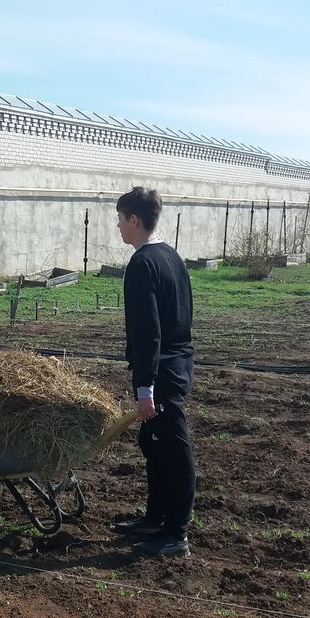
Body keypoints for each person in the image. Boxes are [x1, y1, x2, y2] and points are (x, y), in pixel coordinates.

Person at [112, 187, 196, 557]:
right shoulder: (171, 257)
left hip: (161, 372)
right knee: (154, 445)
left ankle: (176, 532)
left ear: (135, 220)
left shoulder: (143, 264)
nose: (118, 227)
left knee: (174, 449)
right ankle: (156, 517)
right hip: (177, 364)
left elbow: (148, 331)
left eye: (120, 219)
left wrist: (145, 387)